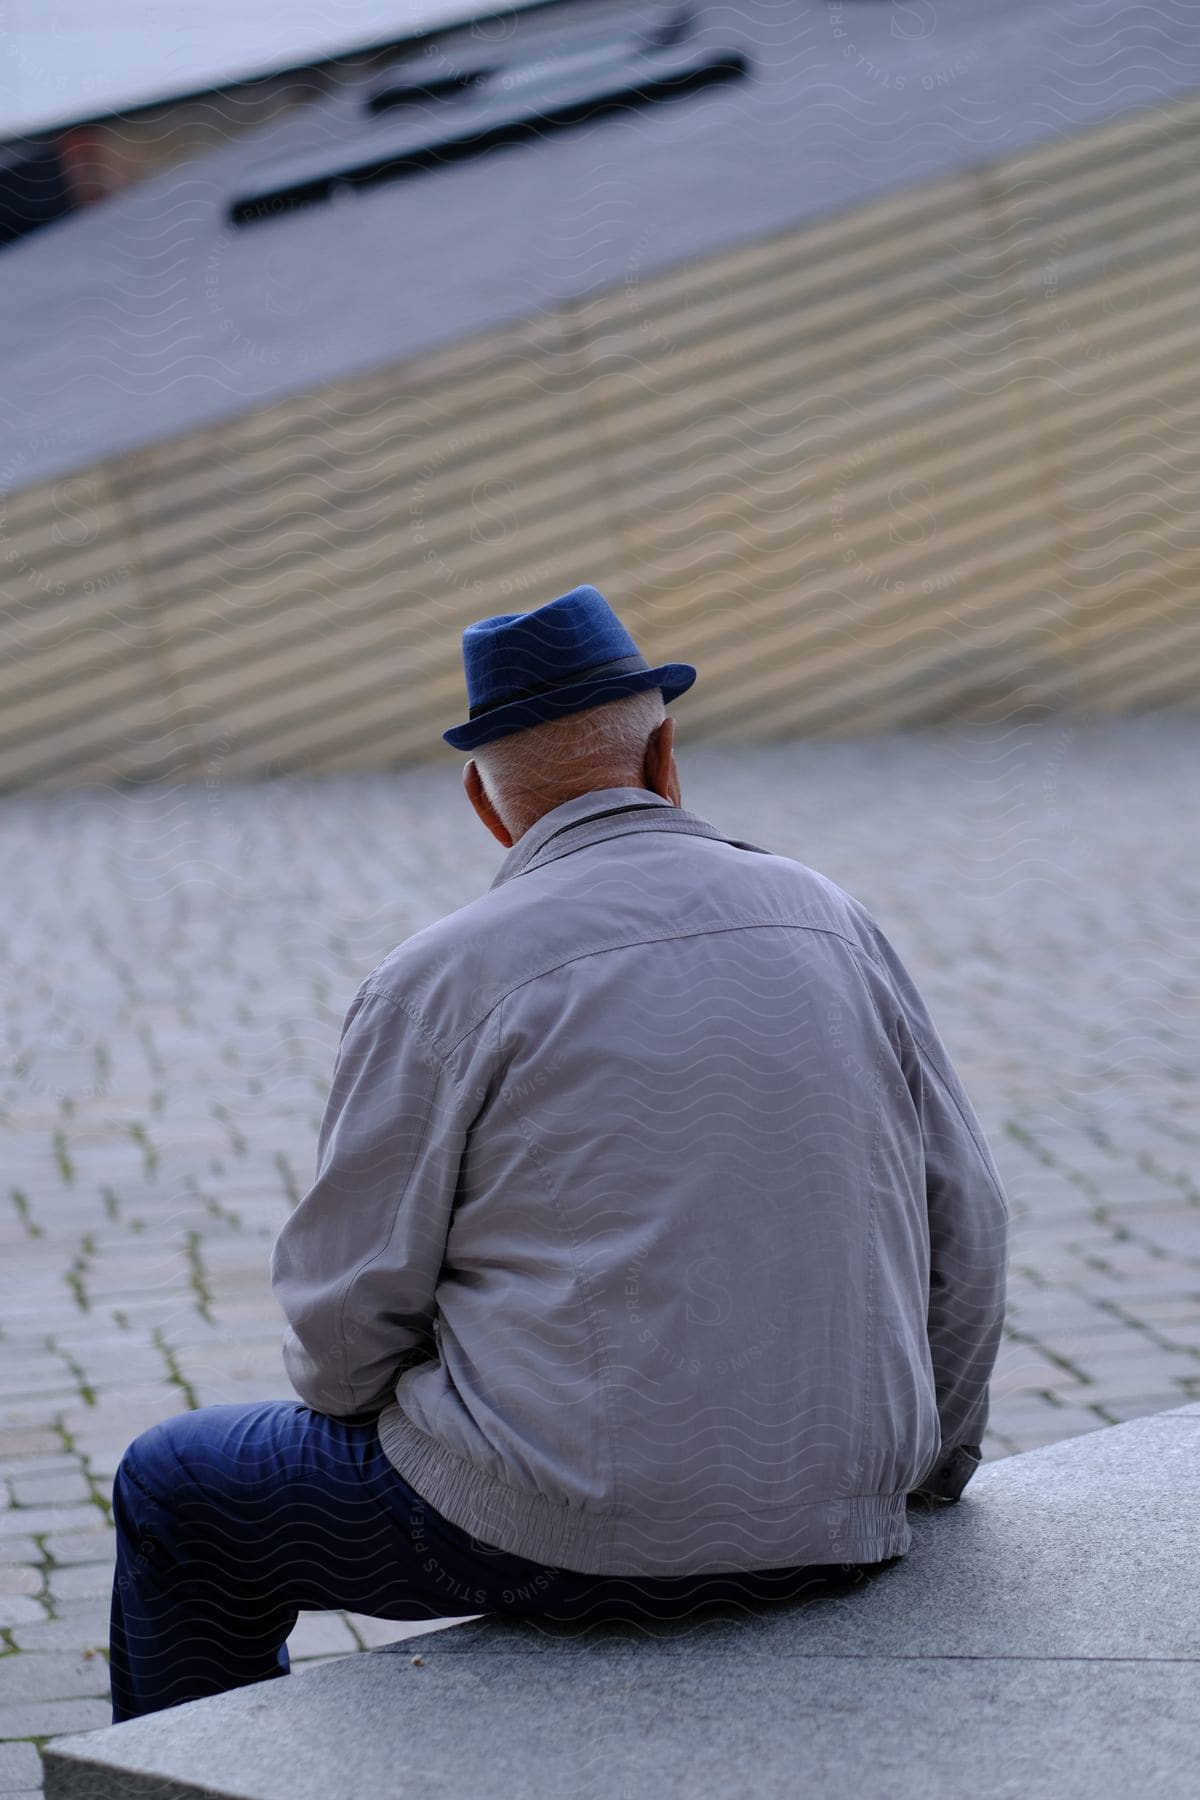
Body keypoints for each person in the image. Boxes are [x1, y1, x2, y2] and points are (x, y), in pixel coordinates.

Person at [108, 583, 1010, 1723]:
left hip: (556, 1535)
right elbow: (968, 1224)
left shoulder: (440, 977)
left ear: (492, 809)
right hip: (843, 1514)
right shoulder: (831, 917)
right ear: (665, 755)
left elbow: (342, 1331)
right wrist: (924, 1466)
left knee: (176, 1488)